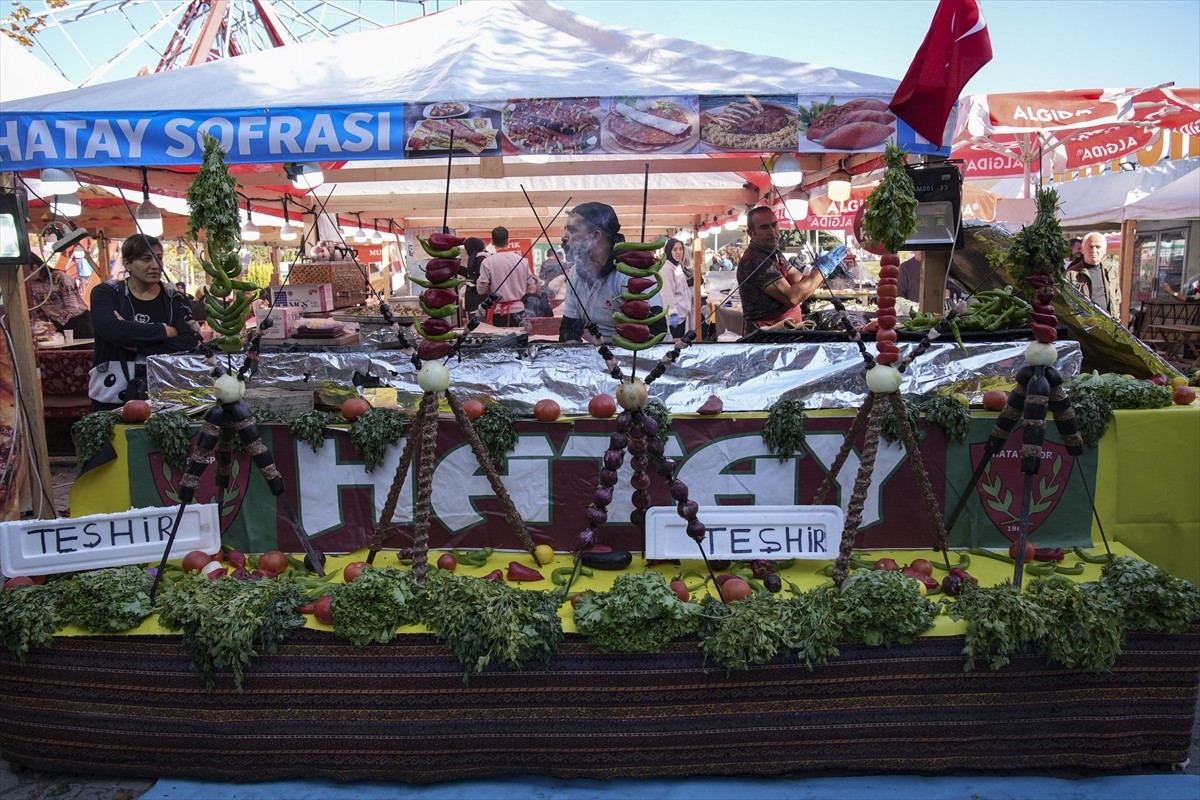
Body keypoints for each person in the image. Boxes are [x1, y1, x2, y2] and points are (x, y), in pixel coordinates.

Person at [88, 235, 200, 411]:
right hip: (111, 397)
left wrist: (136, 345)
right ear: (127, 263)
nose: (155, 265)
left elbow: (189, 341)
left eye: (159, 258)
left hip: (166, 396)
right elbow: (111, 329)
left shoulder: (176, 299)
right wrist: (163, 331)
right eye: (146, 258)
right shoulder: (107, 293)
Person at [558, 202, 666, 342]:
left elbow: (656, 332)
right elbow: (569, 329)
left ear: (595, 236)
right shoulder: (576, 273)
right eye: (565, 229)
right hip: (599, 358)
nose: (563, 237)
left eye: (572, 230)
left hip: (639, 360)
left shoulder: (632, 273)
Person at [736, 206, 825, 329]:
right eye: (764, 227)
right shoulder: (753, 260)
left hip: (786, 335)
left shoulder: (774, 254)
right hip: (766, 340)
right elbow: (792, 297)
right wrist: (822, 271)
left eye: (774, 225)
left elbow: (800, 281)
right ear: (751, 233)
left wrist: (818, 271)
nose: (772, 231)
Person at [476, 226, 537, 326]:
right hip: (519, 310)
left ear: (492, 242)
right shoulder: (522, 261)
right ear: (508, 241)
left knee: (501, 341)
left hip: (498, 312)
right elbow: (531, 286)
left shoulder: (487, 262)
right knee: (519, 340)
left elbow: (481, 289)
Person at [26, 253, 94, 338]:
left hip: (78, 321)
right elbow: (39, 306)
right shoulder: (32, 284)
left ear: (35, 268)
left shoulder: (58, 277)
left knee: (82, 350)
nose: (25, 277)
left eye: (27, 273)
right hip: (57, 323)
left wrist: (56, 325)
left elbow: (73, 307)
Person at [1067, 231, 1120, 316]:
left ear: (1104, 250)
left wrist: (1116, 320)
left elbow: (1117, 299)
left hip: (1107, 325)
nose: (1094, 250)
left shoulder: (1111, 272)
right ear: (1083, 250)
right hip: (1083, 326)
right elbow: (1066, 303)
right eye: (1090, 247)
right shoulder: (1071, 274)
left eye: (1098, 247)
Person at [660, 237, 692, 337]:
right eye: (675, 249)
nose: (678, 252)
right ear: (669, 251)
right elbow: (667, 292)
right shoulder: (666, 268)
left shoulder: (677, 266)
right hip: (675, 316)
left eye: (680, 249)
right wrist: (672, 312)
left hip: (682, 314)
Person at [458, 237, 488, 314]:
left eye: (466, 248)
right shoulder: (475, 258)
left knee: (480, 325)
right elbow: (470, 274)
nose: (465, 251)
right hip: (475, 300)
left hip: (478, 301)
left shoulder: (480, 259)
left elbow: (478, 278)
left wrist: (468, 282)